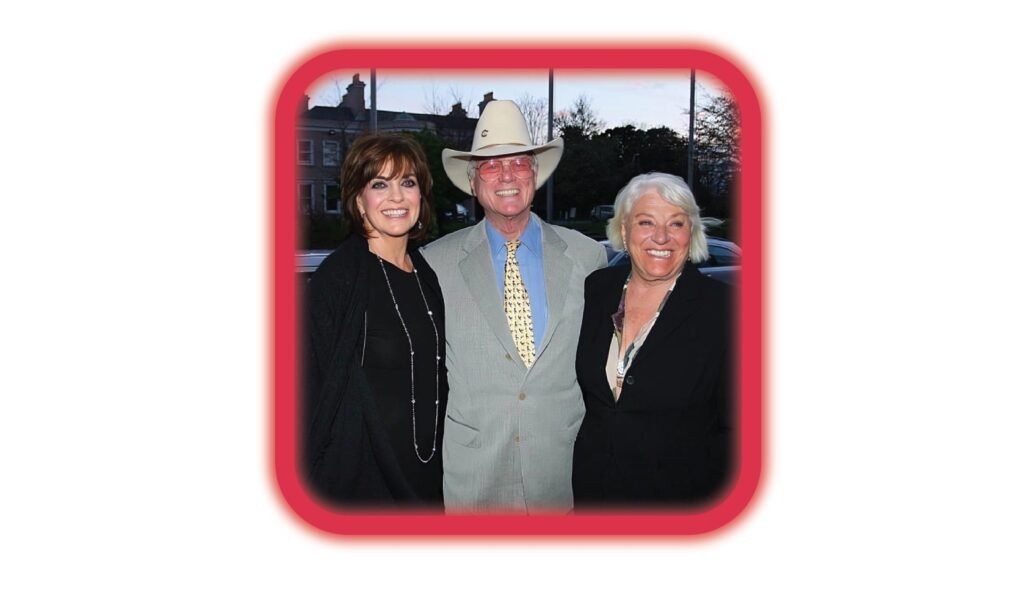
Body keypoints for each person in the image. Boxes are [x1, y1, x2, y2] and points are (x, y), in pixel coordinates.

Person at [421, 100, 606, 513]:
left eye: (519, 163)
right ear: (473, 182)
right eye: (491, 165)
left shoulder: (588, 257)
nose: (507, 176)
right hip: (475, 485)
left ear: (535, 176)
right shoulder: (434, 264)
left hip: (563, 479)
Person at [572, 172, 733, 507]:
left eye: (676, 223)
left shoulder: (726, 310)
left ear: (691, 232)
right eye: (646, 222)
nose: (661, 237)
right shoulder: (598, 289)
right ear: (624, 229)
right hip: (594, 499)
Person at [303, 133, 446, 507]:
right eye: (380, 184)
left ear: (421, 196)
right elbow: (307, 396)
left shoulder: (426, 274)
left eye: (407, 183)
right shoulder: (337, 281)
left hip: (427, 480)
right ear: (358, 201)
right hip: (362, 488)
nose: (397, 197)